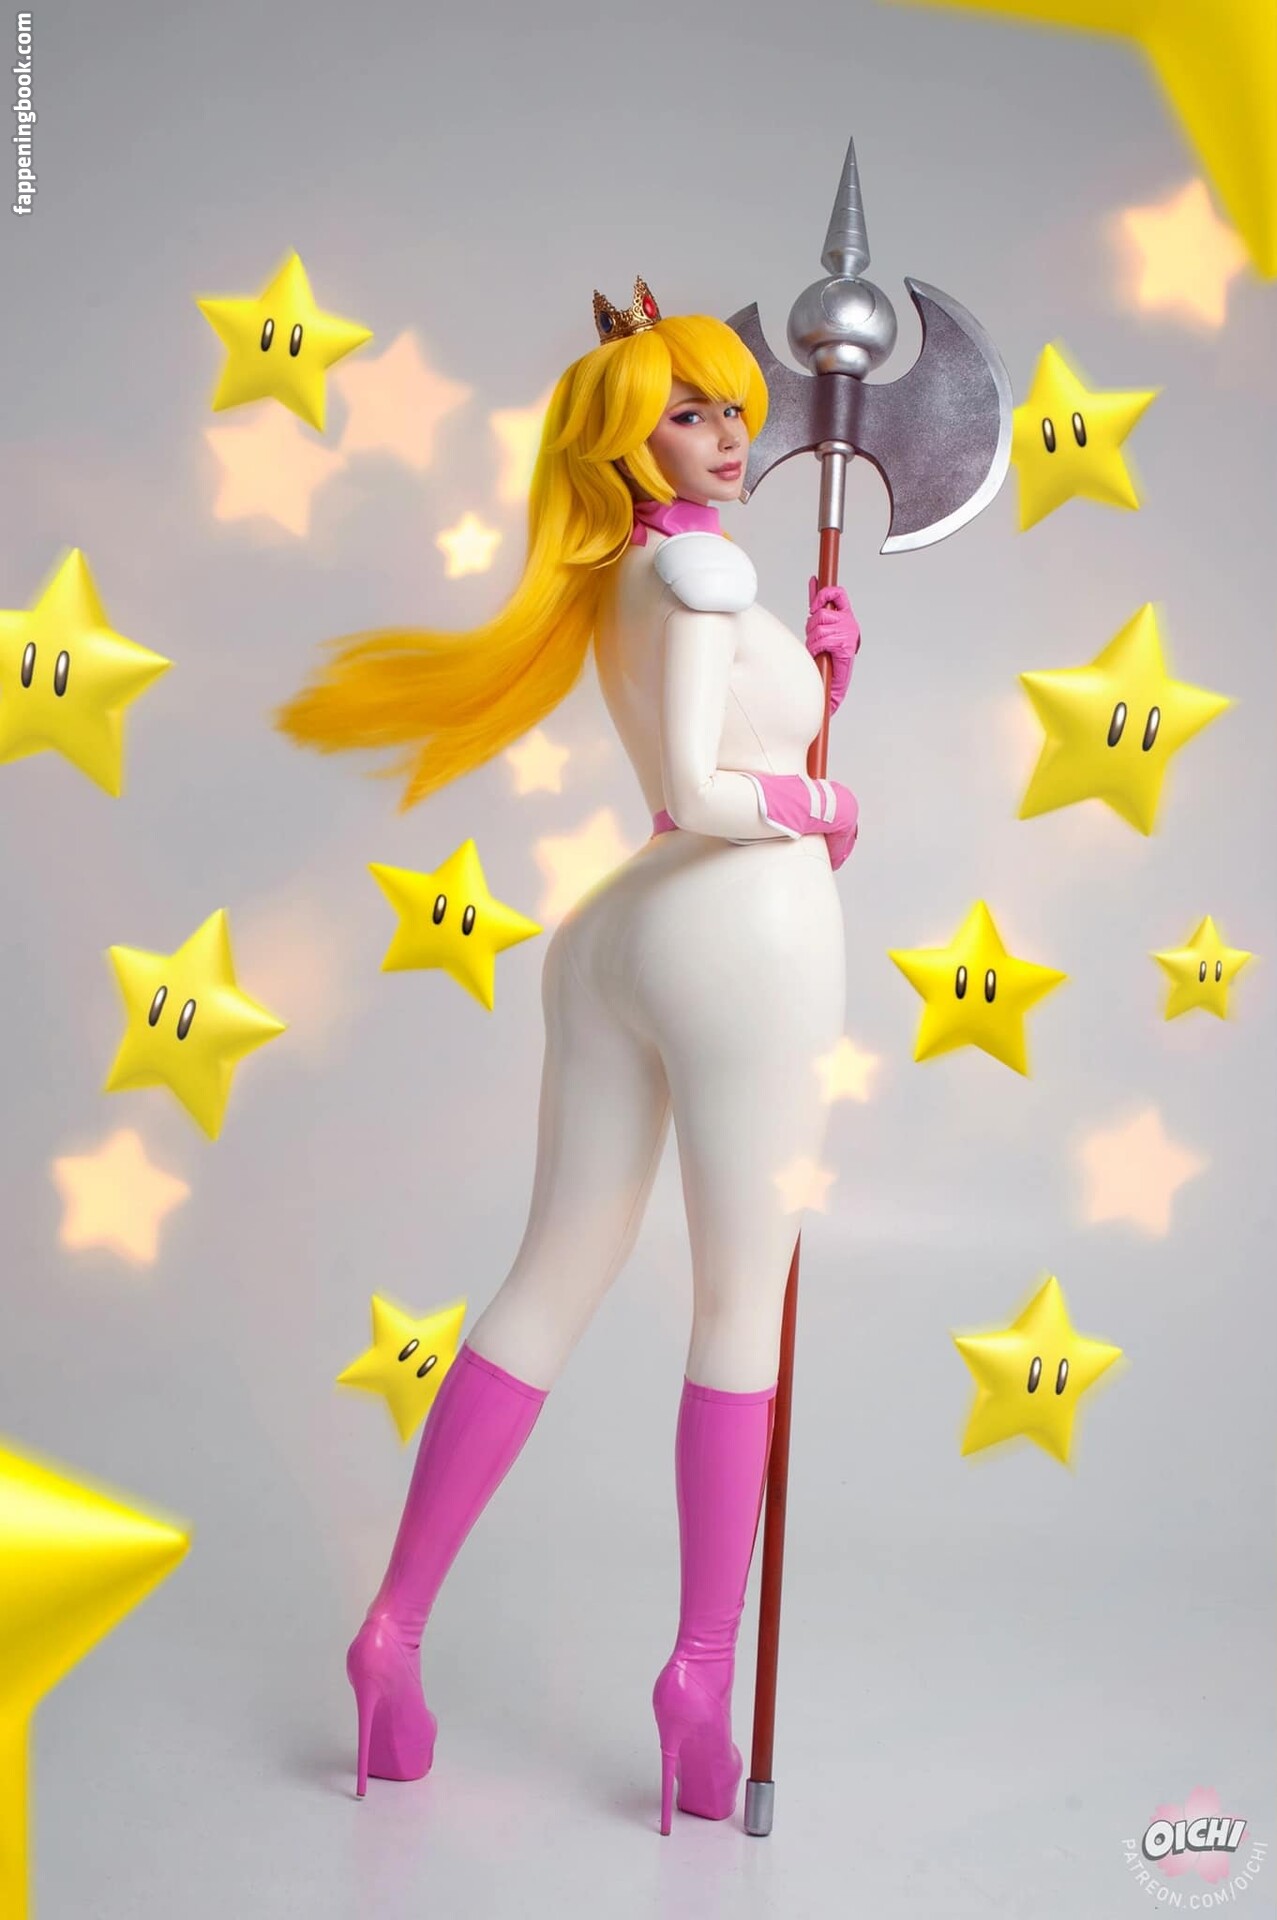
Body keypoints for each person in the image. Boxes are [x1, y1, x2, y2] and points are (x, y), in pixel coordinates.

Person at [274, 275, 862, 1834]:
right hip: (738, 923)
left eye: (733, 409)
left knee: (550, 1275)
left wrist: (823, 675)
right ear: (622, 438)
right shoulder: (704, 573)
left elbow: (718, 731)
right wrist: (823, 799)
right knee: (738, 1298)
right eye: (689, 414)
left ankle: (391, 1631)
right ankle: (698, 1677)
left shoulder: (623, 575)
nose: (726, 435)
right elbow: (705, 787)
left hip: (616, 938)